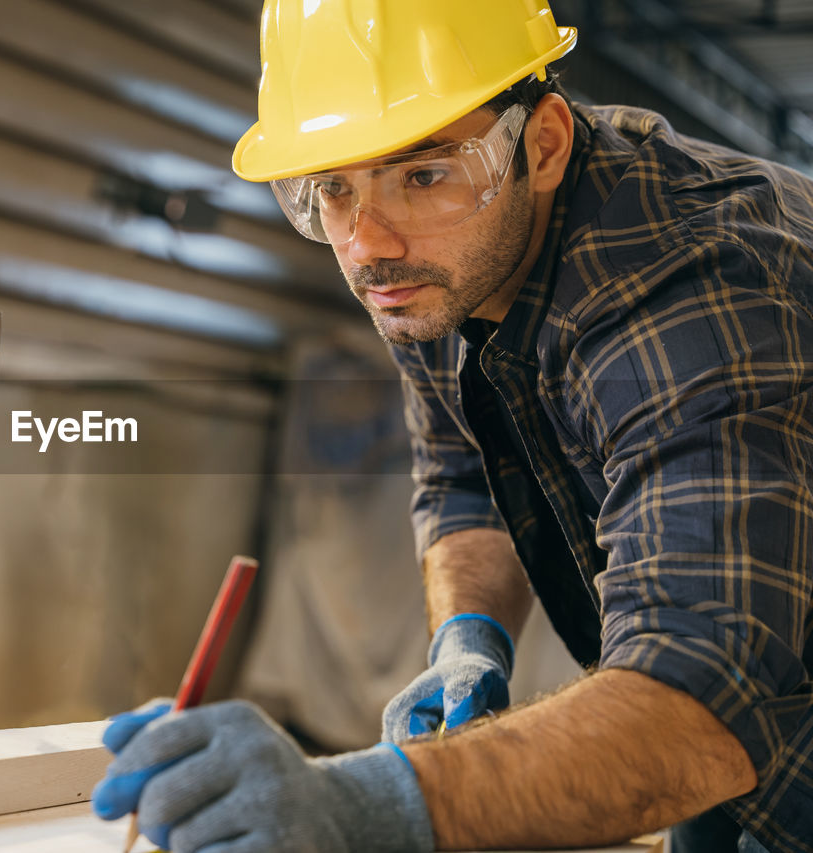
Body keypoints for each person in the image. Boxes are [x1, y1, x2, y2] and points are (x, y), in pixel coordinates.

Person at [91, 1, 813, 851]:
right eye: (330, 188)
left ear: (541, 144)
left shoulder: (697, 294)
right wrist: (470, 641)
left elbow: (702, 702)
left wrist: (369, 806)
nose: (367, 246)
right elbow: (465, 474)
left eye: (422, 174)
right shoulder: (445, 262)